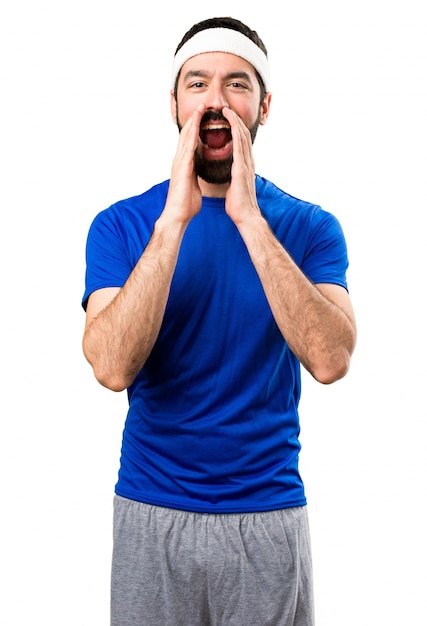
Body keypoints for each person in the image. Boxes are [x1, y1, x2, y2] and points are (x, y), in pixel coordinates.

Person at [82, 16, 357, 626]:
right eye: (197, 83)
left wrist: (250, 219)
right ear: (174, 104)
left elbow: (333, 359)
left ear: (264, 105)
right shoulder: (122, 226)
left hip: (268, 518)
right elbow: (110, 366)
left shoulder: (310, 228)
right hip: (151, 514)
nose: (215, 101)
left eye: (236, 84)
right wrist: (174, 221)